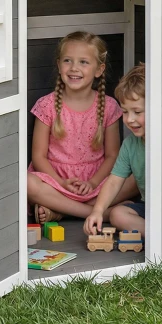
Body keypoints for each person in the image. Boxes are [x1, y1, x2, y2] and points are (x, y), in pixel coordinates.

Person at [28, 31, 137, 223]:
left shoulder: (109, 106)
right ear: (58, 65)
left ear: (99, 70)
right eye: (68, 60)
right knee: (26, 184)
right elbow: (38, 157)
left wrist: (92, 182)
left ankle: (62, 211)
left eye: (83, 62)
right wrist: (61, 182)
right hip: (57, 182)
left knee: (137, 177)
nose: (74, 68)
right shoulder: (46, 105)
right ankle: (98, 213)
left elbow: (113, 155)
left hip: (96, 182)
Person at [84, 63, 146, 239]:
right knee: (116, 215)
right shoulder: (130, 145)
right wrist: (97, 211)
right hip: (148, 206)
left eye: (137, 111)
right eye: (125, 112)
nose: (130, 119)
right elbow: (113, 182)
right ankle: (157, 235)